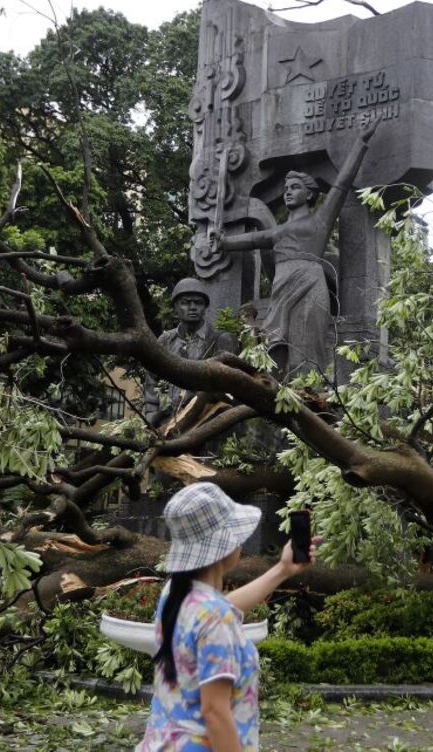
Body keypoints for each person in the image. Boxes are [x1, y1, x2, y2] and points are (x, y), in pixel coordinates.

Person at [136, 482, 318, 751]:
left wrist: (282, 570)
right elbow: (215, 713)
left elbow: (219, 610)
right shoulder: (214, 616)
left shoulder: (174, 594)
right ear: (224, 545)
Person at [213, 127, 376, 377]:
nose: (288, 191)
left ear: (309, 193)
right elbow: (253, 238)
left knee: (307, 347)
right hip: (282, 286)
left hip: (310, 282)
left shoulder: (319, 221)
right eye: (286, 187)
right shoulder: (278, 231)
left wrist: (361, 142)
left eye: (295, 187)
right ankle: (276, 399)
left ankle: (310, 397)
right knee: (276, 345)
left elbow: (342, 184)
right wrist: (224, 242)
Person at [143, 278, 240, 428]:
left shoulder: (221, 340)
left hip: (205, 424)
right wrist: (151, 414)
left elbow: (226, 388)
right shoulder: (165, 340)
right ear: (175, 306)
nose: (192, 307)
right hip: (166, 424)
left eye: (198, 302)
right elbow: (151, 381)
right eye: (186, 302)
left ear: (205, 307)